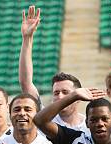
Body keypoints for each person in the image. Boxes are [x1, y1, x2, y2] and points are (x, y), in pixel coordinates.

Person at [18, 5, 88, 133]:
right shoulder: (45, 118)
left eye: (66, 92)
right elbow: (26, 83)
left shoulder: (89, 127)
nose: (60, 96)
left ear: (78, 97)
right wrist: (27, 39)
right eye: (56, 93)